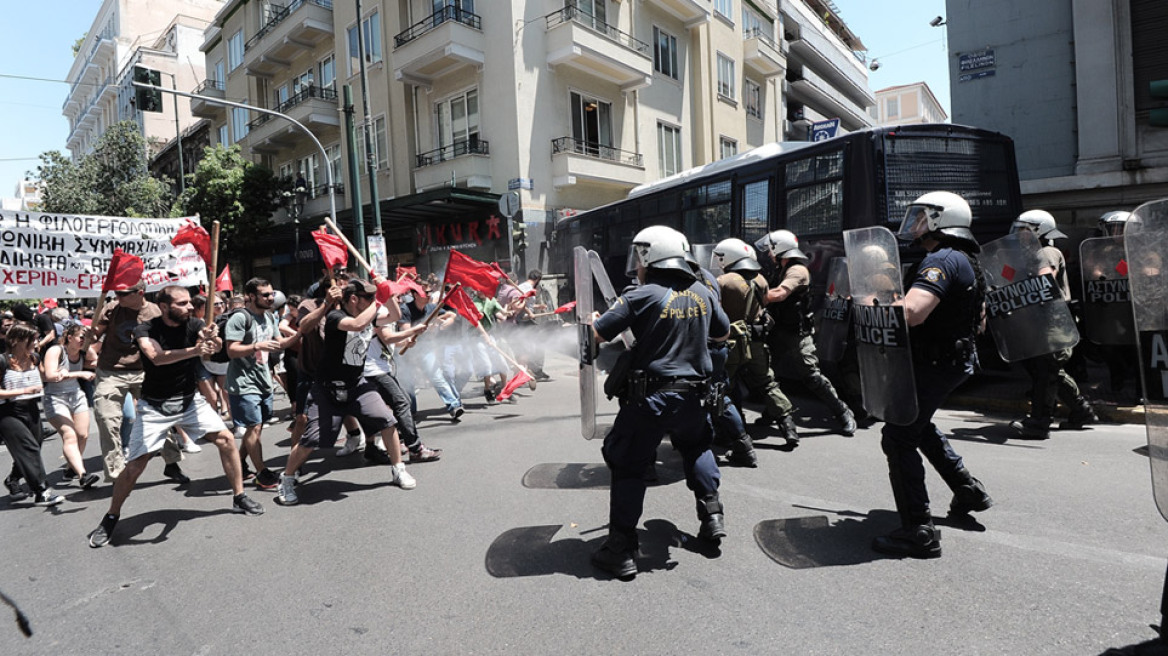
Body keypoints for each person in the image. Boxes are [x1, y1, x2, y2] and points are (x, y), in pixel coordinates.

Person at [589, 226, 731, 579]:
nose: (636, 265)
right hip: (695, 398)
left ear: (651, 257)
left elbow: (599, 333)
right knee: (696, 448)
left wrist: (591, 322)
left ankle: (621, 550)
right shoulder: (702, 291)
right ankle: (712, 516)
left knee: (628, 464)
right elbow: (723, 333)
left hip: (651, 399)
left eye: (640, 257)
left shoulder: (642, 295)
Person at [86, 286, 263, 548]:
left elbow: (211, 348)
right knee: (135, 465)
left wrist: (212, 341)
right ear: (164, 307)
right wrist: (196, 349)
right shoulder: (145, 329)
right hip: (155, 407)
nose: (189, 307)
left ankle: (239, 496)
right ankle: (111, 516)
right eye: (182, 303)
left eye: (189, 302)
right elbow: (156, 357)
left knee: (226, 439)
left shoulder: (194, 324)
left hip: (189, 401)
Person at [871, 191, 994, 559]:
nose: (915, 224)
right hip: (952, 360)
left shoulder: (940, 260)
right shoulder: (967, 260)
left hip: (935, 362)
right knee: (918, 424)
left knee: (898, 436)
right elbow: (980, 323)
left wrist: (873, 306)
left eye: (922, 217)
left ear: (941, 220)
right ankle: (967, 489)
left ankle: (918, 531)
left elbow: (912, 312)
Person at [275, 279, 416, 506]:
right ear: (354, 299)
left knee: (388, 421)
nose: (373, 301)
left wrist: (387, 291)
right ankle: (287, 478)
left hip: (357, 386)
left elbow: (395, 315)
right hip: (327, 389)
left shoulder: (369, 315)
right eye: (368, 298)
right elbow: (358, 325)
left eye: (373, 297)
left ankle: (398, 469)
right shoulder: (335, 317)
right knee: (312, 439)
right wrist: (379, 299)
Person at [1008, 210, 1098, 439]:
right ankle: (1081, 411)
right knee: (1050, 370)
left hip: (1052, 319)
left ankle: (1039, 422)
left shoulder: (1046, 252)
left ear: (1040, 231)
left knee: (1044, 370)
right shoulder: (1031, 254)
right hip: (1041, 319)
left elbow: (1045, 279)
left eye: (1024, 229)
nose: (1019, 234)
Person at [759, 230, 857, 437]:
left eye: (771, 249)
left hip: (797, 333)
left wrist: (749, 295)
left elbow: (779, 294)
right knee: (768, 373)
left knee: (811, 375)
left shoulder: (797, 270)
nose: (768, 253)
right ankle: (773, 411)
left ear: (780, 249)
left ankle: (843, 412)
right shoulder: (779, 269)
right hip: (779, 331)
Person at [90, 280, 187, 484]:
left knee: (159, 416)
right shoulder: (111, 308)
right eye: (117, 293)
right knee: (106, 418)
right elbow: (95, 334)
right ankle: (116, 472)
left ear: (140, 292)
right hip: (110, 371)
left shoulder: (155, 312)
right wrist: (89, 335)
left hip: (145, 371)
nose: (118, 297)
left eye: (123, 293)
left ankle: (172, 462)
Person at [225, 277, 297, 489]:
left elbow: (279, 343)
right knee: (254, 427)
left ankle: (240, 463)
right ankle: (262, 473)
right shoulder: (240, 318)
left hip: (263, 380)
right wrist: (257, 345)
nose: (270, 298)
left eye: (272, 294)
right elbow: (232, 350)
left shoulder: (270, 317)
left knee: (255, 429)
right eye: (265, 295)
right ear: (251, 296)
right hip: (243, 382)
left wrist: (301, 334)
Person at [1, 323, 64, 506]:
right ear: (17, 340)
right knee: (29, 449)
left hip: (31, 408)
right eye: (32, 339)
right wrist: (24, 391)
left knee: (34, 445)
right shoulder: (3, 361)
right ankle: (42, 491)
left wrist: (62, 372)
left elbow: (46, 376)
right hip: (7, 412)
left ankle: (13, 479)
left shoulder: (34, 358)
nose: (36, 343)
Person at [41, 323, 100, 488]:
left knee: (82, 435)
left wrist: (89, 342)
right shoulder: (56, 350)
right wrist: (79, 373)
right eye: (81, 337)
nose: (83, 340)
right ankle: (83, 475)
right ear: (69, 337)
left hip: (76, 396)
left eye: (85, 338)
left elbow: (95, 360)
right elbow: (50, 375)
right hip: (55, 398)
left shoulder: (82, 352)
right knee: (69, 435)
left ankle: (70, 468)